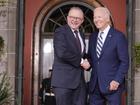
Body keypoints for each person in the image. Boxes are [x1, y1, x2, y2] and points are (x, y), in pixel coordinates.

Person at [88, 7, 129, 105]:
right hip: (95, 86)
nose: (96, 20)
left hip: (112, 85)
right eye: (94, 17)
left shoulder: (118, 36)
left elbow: (125, 61)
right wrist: (85, 62)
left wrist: (117, 80)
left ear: (107, 18)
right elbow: (92, 58)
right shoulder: (93, 37)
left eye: (99, 17)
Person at [51, 7, 90, 105]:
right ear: (67, 18)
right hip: (63, 83)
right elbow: (62, 53)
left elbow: (81, 54)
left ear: (82, 20)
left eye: (78, 18)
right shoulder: (60, 32)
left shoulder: (81, 34)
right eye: (72, 17)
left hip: (80, 83)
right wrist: (82, 62)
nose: (74, 20)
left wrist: (90, 61)